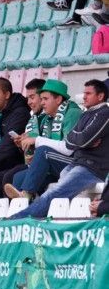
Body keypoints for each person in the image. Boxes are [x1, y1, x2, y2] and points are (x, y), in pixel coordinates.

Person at [12, 79, 109, 219]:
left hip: (92, 168)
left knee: (55, 193)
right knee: (44, 189)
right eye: (84, 93)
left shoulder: (104, 113)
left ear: (100, 96)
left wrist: (82, 139)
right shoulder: (87, 114)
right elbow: (72, 141)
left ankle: (18, 219)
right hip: (77, 163)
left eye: (88, 93)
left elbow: (81, 140)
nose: (84, 96)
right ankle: (25, 205)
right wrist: (83, 139)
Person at [3, 79, 83, 200]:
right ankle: (23, 214)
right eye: (41, 99)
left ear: (58, 99)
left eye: (45, 99)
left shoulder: (73, 113)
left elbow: (69, 148)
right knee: (18, 177)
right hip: (55, 164)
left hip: (74, 164)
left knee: (44, 152)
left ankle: (27, 195)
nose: (42, 103)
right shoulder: (47, 118)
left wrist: (37, 140)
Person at [0, 79, 46, 200]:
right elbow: (27, 153)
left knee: (9, 177)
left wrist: (34, 141)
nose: (29, 102)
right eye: (27, 98)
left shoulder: (48, 116)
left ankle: (15, 213)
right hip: (30, 163)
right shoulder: (33, 119)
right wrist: (20, 144)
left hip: (43, 164)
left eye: (32, 97)